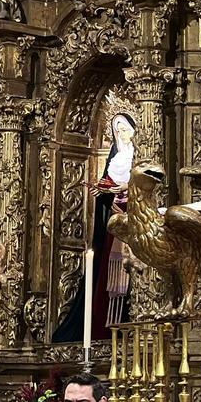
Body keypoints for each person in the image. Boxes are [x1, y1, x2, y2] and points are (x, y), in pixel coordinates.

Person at [53, 113, 135, 342]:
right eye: (118, 130)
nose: (122, 134)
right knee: (109, 272)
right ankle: (106, 327)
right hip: (116, 225)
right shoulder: (115, 161)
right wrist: (103, 193)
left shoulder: (138, 157)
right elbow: (107, 197)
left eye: (125, 128)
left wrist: (126, 187)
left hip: (136, 224)